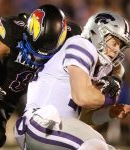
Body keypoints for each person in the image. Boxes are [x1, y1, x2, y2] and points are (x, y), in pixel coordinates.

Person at [14, 11, 130, 150]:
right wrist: (110, 97)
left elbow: (83, 117)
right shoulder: (81, 44)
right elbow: (82, 98)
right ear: (97, 34)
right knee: (94, 144)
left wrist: (109, 112)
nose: (116, 50)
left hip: (56, 128)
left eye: (120, 46)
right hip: (41, 122)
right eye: (115, 43)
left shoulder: (94, 67)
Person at [0, 4, 74, 150]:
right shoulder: (14, 30)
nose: (36, 57)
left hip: (12, 102)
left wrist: (113, 78)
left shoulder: (73, 39)